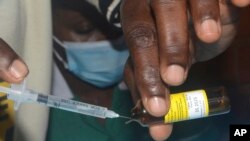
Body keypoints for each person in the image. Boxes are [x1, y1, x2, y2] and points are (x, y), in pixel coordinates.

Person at [0, 0, 249, 141]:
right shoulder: (47, 125)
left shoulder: (138, 94)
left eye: (114, 31)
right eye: (86, 30)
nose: (105, 41)